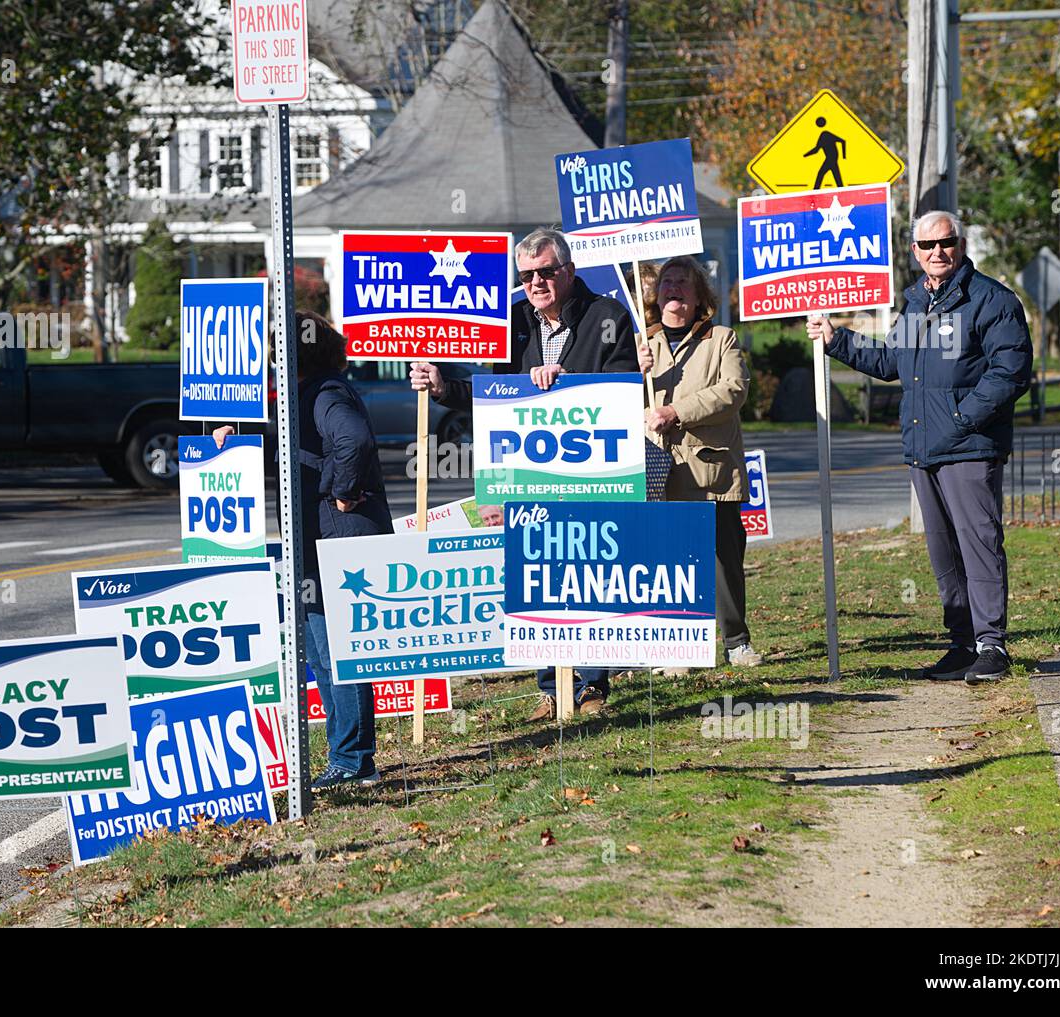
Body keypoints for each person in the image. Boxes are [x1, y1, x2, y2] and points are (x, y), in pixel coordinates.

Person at [410, 227, 638, 721]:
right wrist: (443, 385)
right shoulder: (510, 322)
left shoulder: (609, 317)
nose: (536, 282)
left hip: (588, 473)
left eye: (546, 272)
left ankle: (593, 684)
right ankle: (549, 687)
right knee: (533, 576)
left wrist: (566, 384)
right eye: (528, 274)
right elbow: (493, 396)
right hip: (525, 474)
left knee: (586, 576)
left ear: (569, 270)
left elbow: (626, 390)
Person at [807, 211, 1033, 684]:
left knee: (979, 544)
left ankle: (992, 644)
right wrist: (836, 340)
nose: (938, 252)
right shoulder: (915, 304)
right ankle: (962, 643)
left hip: (969, 447)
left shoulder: (991, 301)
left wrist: (961, 419)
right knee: (943, 552)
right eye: (927, 246)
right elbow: (893, 362)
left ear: (961, 243)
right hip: (923, 448)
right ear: (914, 251)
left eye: (946, 242)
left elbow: (1009, 372)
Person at [214, 311, 389, 788]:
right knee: (319, 653)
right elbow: (301, 447)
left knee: (337, 654)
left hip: (338, 540)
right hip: (316, 543)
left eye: (276, 353)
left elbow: (352, 439)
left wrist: (342, 489)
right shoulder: (307, 395)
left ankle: (354, 762)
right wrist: (242, 438)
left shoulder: (325, 392)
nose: (269, 363)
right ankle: (347, 756)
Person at [637, 256, 763, 672]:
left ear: (698, 296)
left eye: (683, 283)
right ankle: (678, 649)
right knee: (671, 560)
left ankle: (737, 642)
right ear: (656, 294)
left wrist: (676, 411)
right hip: (660, 471)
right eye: (667, 282)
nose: (674, 289)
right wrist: (632, 374)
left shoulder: (721, 338)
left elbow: (733, 391)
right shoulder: (642, 344)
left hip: (712, 471)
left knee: (725, 558)